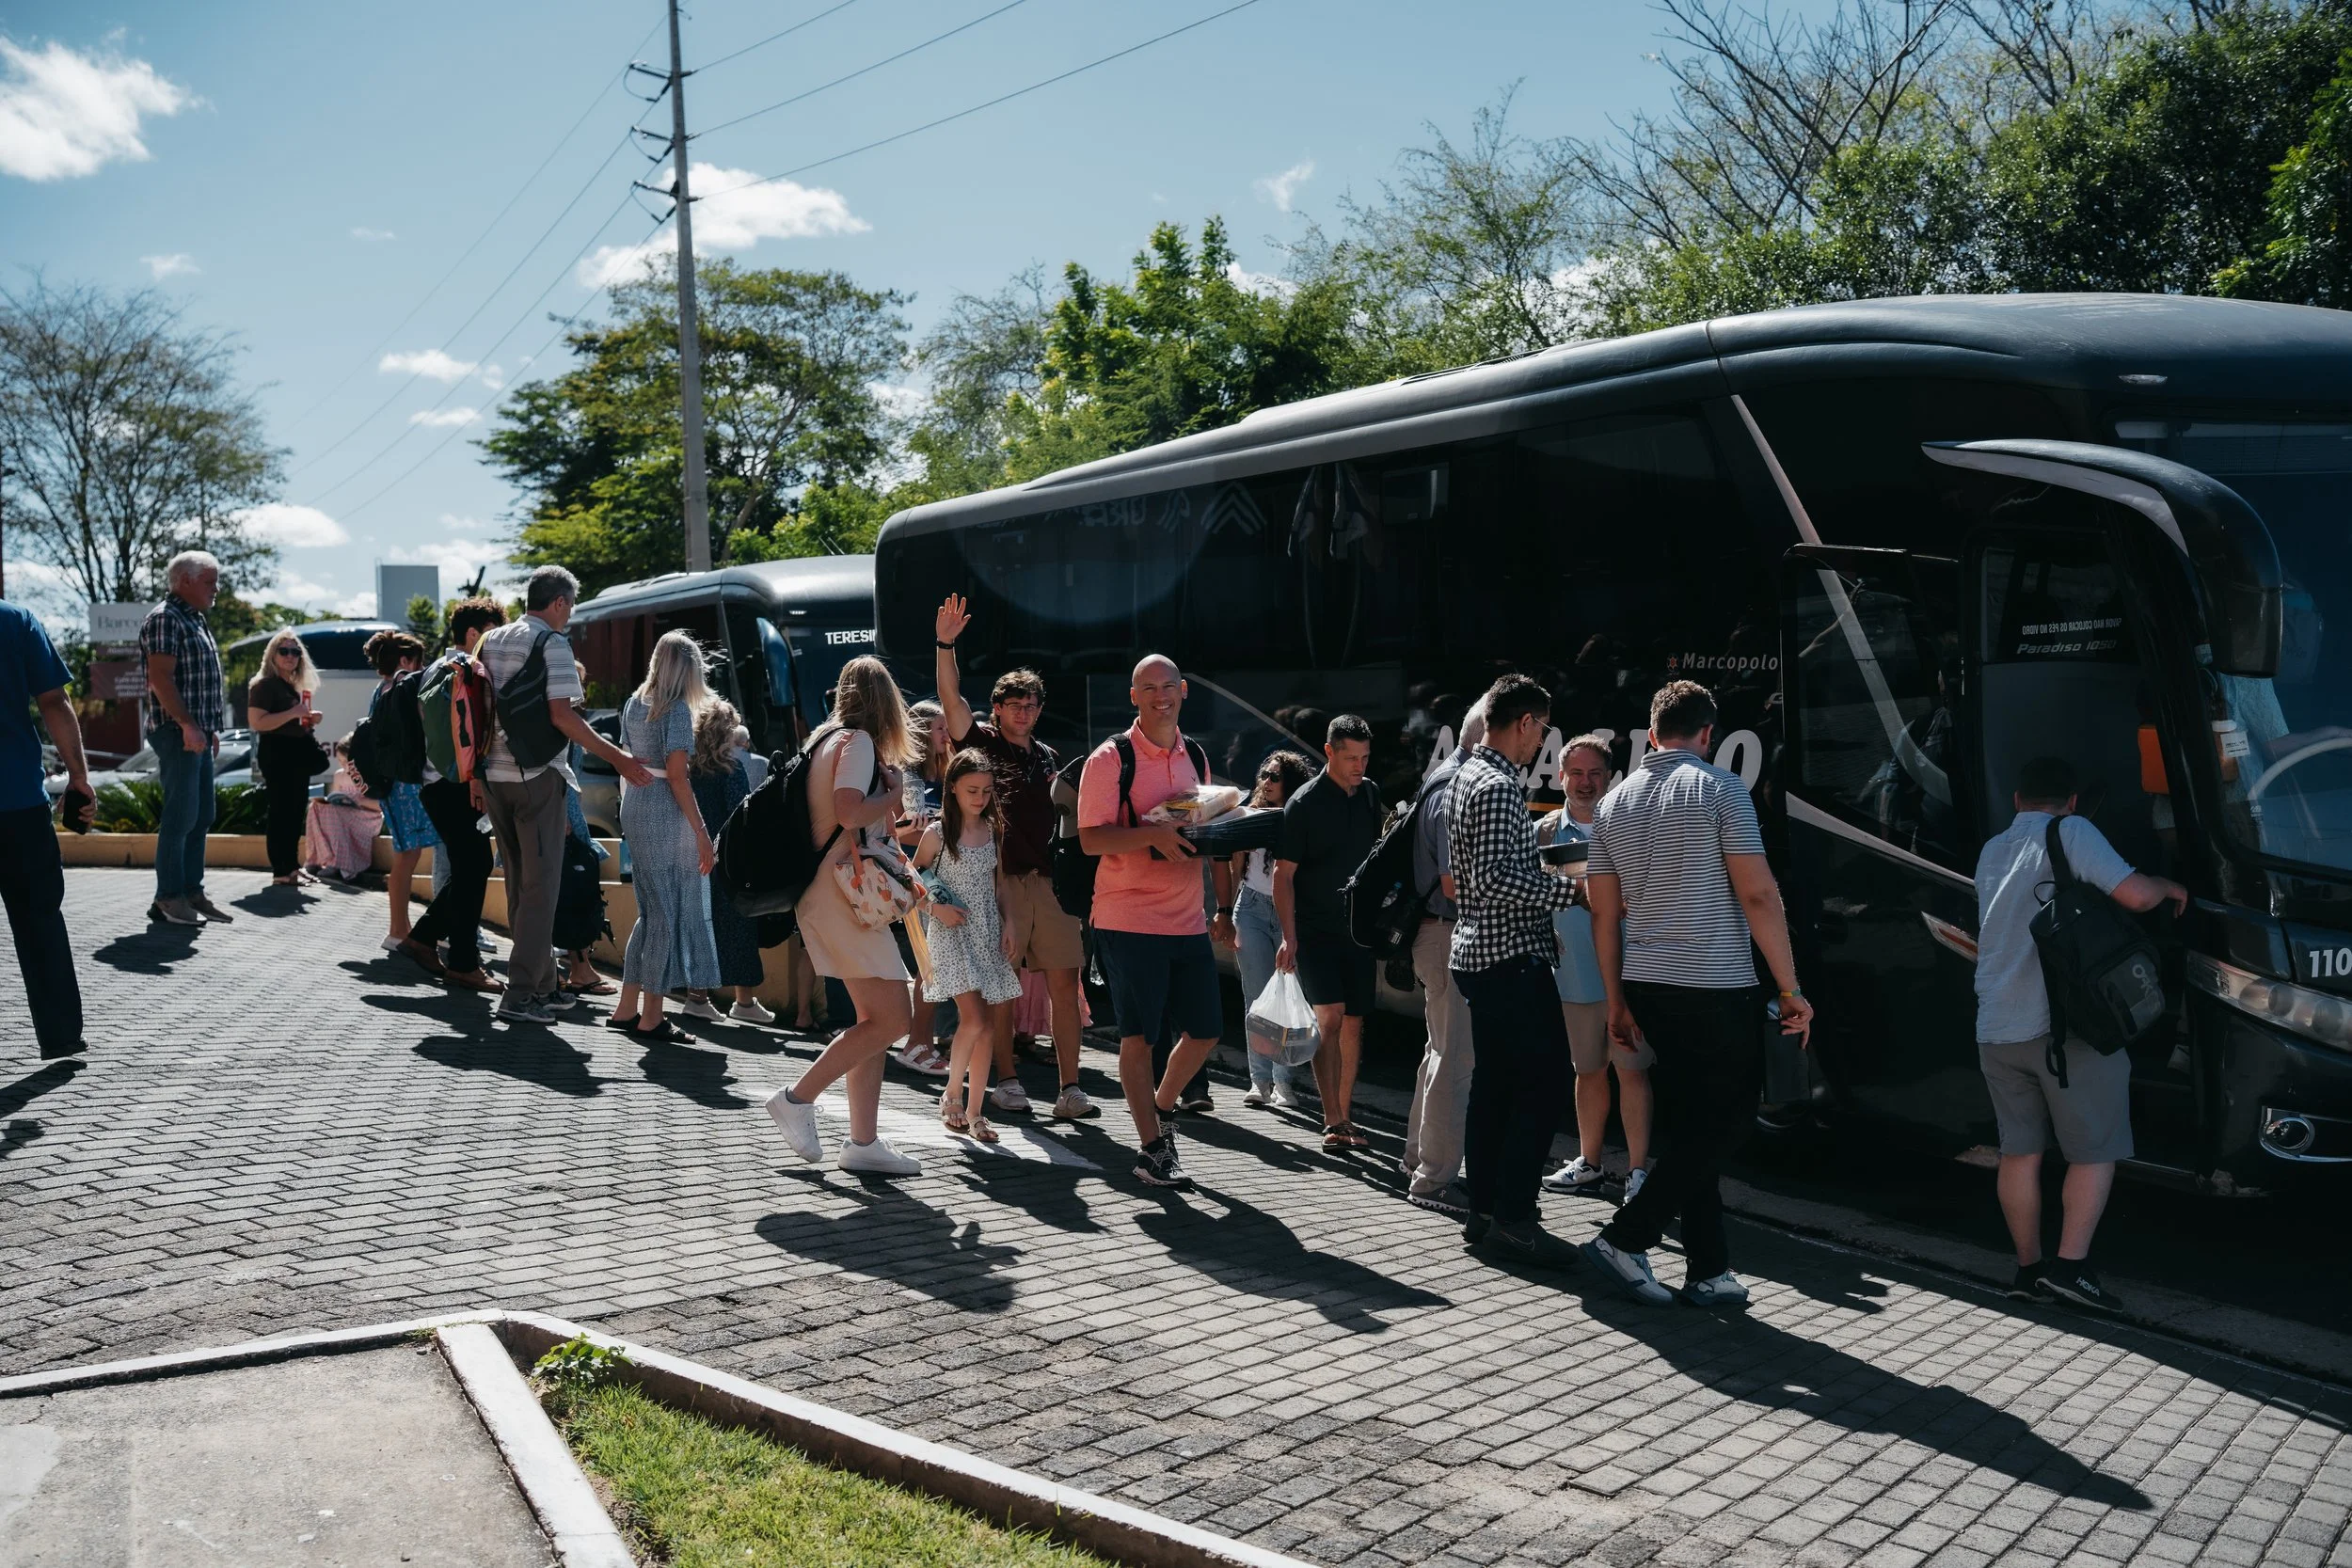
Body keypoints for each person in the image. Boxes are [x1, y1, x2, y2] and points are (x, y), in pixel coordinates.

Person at [1584, 680, 1815, 1309]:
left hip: (1646, 982)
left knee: (1693, 1124)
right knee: (1730, 1119)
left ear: (1652, 732)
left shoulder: (1613, 803)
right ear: (1708, 733)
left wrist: (1616, 1002)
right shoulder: (1722, 789)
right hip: (1713, 982)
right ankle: (1625, 1237)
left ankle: (1709, 1269)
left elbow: (1603, 916)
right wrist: (1791, 987)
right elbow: (1761, 894)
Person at [1975, 754, 2185, 1312]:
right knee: (2093, 1152)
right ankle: (2071, 1271)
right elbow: (2136, 896)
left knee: (2019, 1153)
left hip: (1997, 1026)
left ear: (2017, 800)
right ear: (2069, 802)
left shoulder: (1993, 849)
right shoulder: (2072, 831)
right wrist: (2167, 885)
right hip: (2064, 1030)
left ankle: (2028, 1271)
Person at [932, 594, 1099, 1121]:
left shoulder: (1048, 758)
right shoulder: (980, 744)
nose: (1024, 713)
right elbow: (951, 698)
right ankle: (1006, 1081)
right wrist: (946, 644)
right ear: (998, 707)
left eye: (1032, 706)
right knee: (1002, 988)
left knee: (1064, 984)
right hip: (996, 883)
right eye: (1015, 705)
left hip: (1046, 883)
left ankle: (1070, 1089)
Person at [763, 656, 926, 1177]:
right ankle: (796, 1098)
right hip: (844, 896)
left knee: (872, 1023)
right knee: (894, 1018)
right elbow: (851, 810)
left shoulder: (825, 740)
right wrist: (894, 793)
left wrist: (886, 802)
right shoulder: (856, 743)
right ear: (886, 702)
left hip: (829, 892)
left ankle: (863, 1142)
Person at [1446, 674, 1584, 1268]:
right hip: (1508, 957)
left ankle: (1483, 1209)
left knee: (1495, 1086)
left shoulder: (1464, 776)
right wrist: (1569, 893)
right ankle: (1515, 1218)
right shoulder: (1500, 785)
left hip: (1477, 954)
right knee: (1543, 1086)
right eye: (1542, 729)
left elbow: (1477, 875)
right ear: (1524, 722)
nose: (1542, 744)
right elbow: (1500, 880)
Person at [476, 568, 653, 1023]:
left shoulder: (492, 641)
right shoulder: (552, 644)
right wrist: (618, 758)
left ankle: (543, 985)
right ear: (557, 603)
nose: (570, 616)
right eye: (570, 606)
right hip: (536, 775)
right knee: (541, 889)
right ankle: (520, 996)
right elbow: (564, 716)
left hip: (494, 775)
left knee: (520, 884)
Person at [1077, 654, 1221, 1190]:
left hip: (1186, 920)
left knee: (1206, 1030)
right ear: (1133, 696)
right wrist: (1151, 835)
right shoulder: (1110, 758)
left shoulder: (1196, 755)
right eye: (1148, 688)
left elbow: (1196, 824)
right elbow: (1091, 838)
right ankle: (1152, 1149)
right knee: (1140, 1037)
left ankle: (1161, 1108)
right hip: (1128, 917)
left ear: (1183, 691)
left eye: (1168, 686)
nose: (1161, 695)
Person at [1540, 735, 1655, 1200]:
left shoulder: (1633, 826)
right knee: (1587, 1072)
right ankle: (1588, 1163)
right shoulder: (1545, 832)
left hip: (1629, 975)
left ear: (1611, 778)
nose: (1586, 783)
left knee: (1632, 1072)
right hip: (1572, 976)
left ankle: (1638, 1172)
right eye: (1578, 774)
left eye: (1595, 774)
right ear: (1561, 777)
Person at [604, 630, 723, 1044]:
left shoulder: (635, 703)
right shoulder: (673, 711)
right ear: (687, 671)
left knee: (651, 912)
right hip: (663, 811)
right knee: (666, 915)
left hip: (636, 805)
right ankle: (651, 1017)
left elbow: (630, 759)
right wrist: (703, 833)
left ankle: (626, 1008)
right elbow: (677, 777)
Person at [1274, 714, 1385, 1152]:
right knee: (1331, 1017)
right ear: (1329, 752)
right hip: (1315, 927)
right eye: (1350, 757)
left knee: (1355, 1021)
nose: (1359, 766)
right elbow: (1284, 876)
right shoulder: (1302, 803)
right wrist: (1289, 936)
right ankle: (1332, 1119)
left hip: (1357, 928)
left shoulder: (1370, 793)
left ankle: (1345, 1112)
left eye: (1364, 757)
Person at [914, 749, 1025, 1144]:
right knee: (975, 1020)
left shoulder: (993, 829)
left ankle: (976, 1112)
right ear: (953, 790)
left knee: (988, 1027)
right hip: (950, 935)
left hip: (987, 934)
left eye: (986, 791)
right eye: (972, 790)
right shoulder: (937, 833)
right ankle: (951, 1096)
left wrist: (1010, 921)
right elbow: (915, 879)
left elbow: (1000, 885)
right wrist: (936, 907)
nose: (980, 798)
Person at [1401, 700, 1485, 1216]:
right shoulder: (1461, 786)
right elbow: (1458, 882)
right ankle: (1433, 1179)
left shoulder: (1439, 777)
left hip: (1431, 933)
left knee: (1438, 1053)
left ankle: (1417, 1159)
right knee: (1455, 1061)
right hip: (1450, 933)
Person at [396, 604, 504, 995]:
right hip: (454, 782)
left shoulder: (438, 668)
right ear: (474, 634)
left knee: (470, 866)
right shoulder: (463, 671)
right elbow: (466, 734)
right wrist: (475, 776)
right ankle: (462, 963)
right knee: (474, 864)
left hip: (436, 783)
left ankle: (424, 939)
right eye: (494, 631)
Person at [3, 596, 91, 1058]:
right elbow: (54, 701)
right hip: (16, 800)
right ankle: (60, 1035)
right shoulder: (14, 621)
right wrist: (78, 778)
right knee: (40, 920)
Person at [1214, 750, 1319, 1111]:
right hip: (1253, 909)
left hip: (1289, 911)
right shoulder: (1250, 814)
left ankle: (1284, 1082)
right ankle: (1259, 1081)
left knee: (1291, 995)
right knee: (1256, 997)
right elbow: (1233, 865)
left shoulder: (1301, 814)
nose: (1267, 782)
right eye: (1264, 774)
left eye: (1276, 777)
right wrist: (1225, 913)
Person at [139, 549, 230, 927]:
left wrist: (206, 729)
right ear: (185, 581)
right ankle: (169, 898)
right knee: (181, 816)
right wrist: (189, 726)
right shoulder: (165, 619)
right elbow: (160, 679)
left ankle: (192, 892)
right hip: (177, 732)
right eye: (210, 582)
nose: (216, 589)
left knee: (202, 814)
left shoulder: (194, 618)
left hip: (196, 733)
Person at [681, 705, 773, 1024]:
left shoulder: (688, 770)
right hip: (728, 861)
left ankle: (698, 996)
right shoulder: (731, 770)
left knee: (702, 926)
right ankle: (744, 1001)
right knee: (739, 927)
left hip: (694, 857)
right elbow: (742, 817)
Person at [888, 699, 949, 1076]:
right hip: (922, 876)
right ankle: (916, 1044)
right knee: (931, 966)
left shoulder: (947, 771)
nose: (947, 735)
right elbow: (897, 831)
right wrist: (935, 822)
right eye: (940, 729)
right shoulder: (906, 775)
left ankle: (925, 1041)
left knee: (938, 965)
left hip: (948, 875)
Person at [245, 629, 326, 888]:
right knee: (281, 811)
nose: (291, 656)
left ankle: (292, 868)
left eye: (296, 652)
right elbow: (257, 722)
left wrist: (308, 718)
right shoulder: (264, 685)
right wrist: (294, 713)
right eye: (284, 651)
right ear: (272, 655)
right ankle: (281, 870)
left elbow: (292, 719)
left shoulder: (291, 686)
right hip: (277, 752)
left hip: (295, 752)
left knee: (294, 811)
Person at [304, 738, 382, 882]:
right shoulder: (339, 775)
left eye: (346, 762)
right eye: (340, 762)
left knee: (335, 813)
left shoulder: (370, 775)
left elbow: (380, 805)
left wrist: (358, 800)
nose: (343, 766)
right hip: (343, 814)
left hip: (367, 817)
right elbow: (335, 799)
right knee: (315, 808)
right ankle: (318, 858)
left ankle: (339, 863)